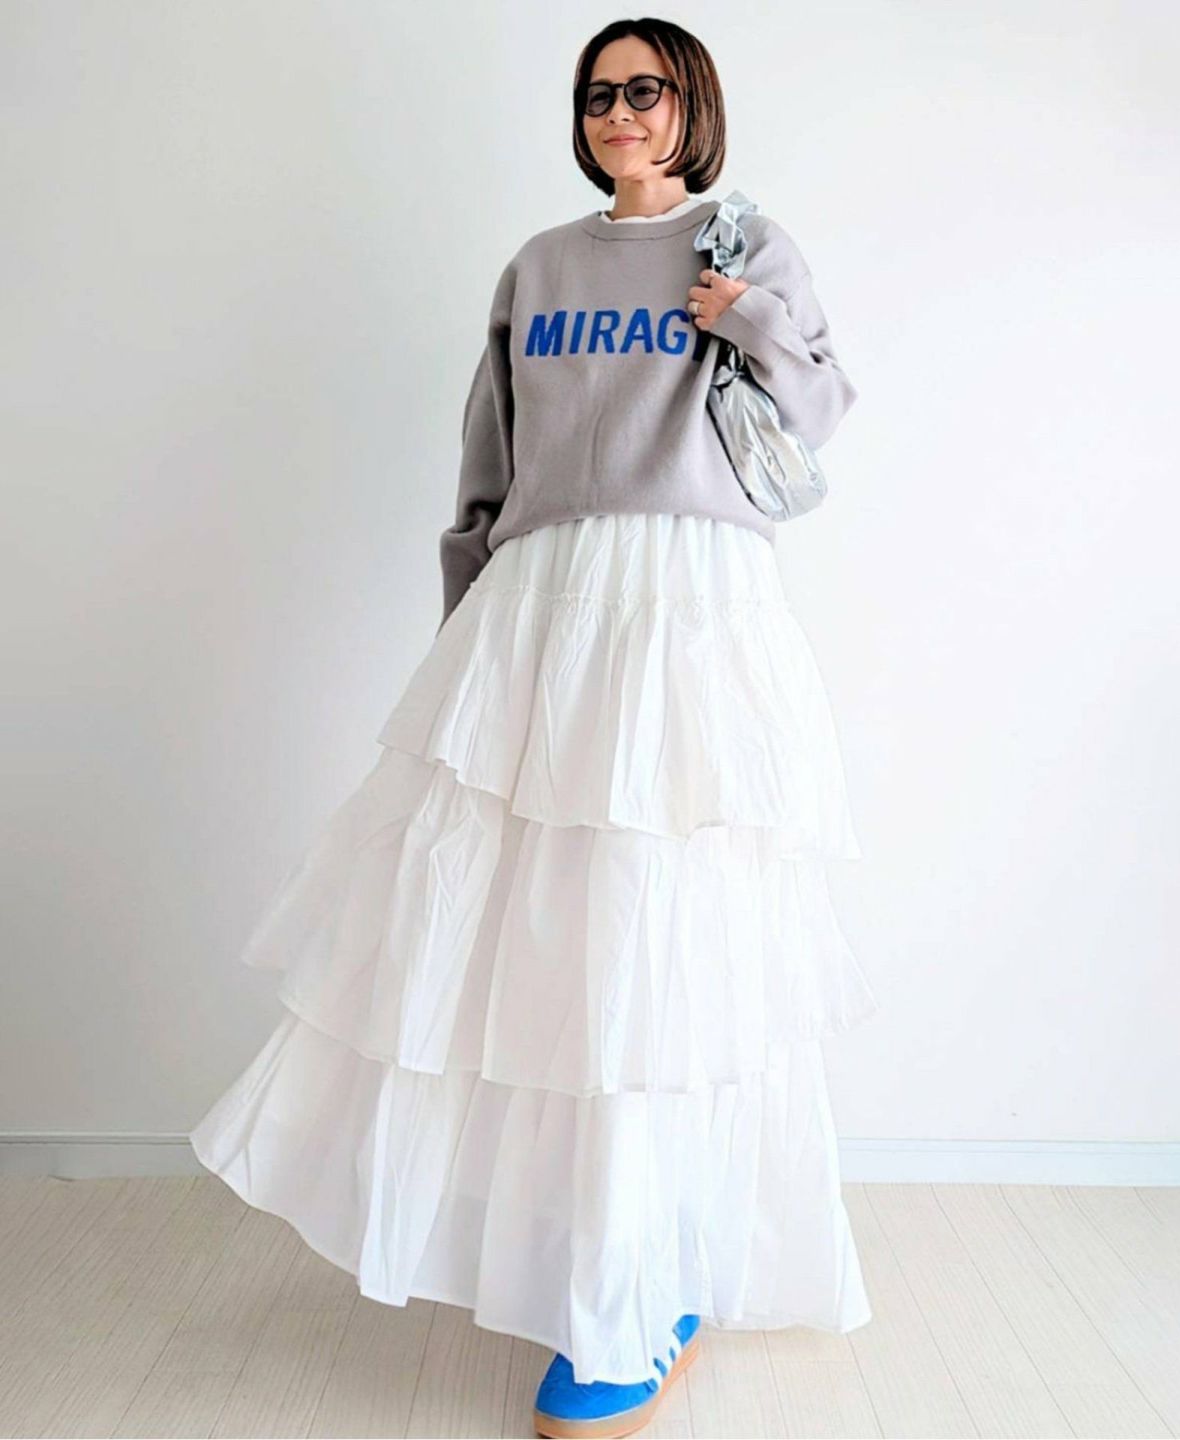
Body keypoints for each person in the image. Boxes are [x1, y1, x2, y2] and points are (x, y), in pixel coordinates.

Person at [189, 16, 879, 1440]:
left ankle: (642, 1286)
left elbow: (819, 415)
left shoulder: (747, 246)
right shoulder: (540, 268)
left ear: (692, 106)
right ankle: (590, 1258)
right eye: (599, 93)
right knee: (542, 934)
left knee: (658, 929)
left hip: (685, 608)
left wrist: (743, 316)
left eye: (647, 89)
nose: (620, 112)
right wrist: (471, 630)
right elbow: (488, 461)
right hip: (543, 607)